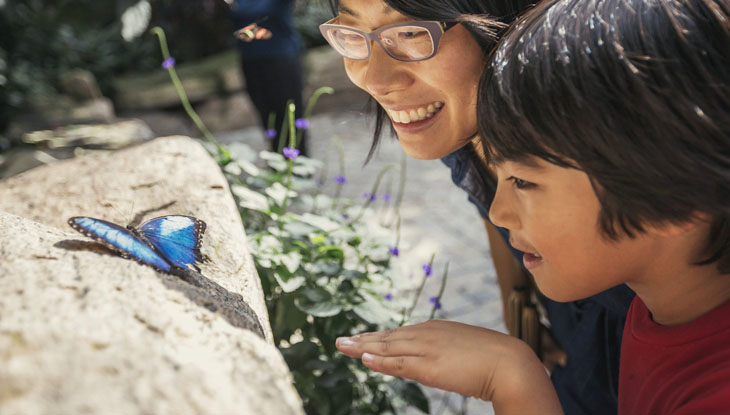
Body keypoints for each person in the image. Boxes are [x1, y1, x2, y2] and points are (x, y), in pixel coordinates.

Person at [336, 0, 730, 413]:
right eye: (350, 32)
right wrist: (517, 300)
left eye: (412, 33)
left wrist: (512, 382)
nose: (376, 79)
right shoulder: (658, 320)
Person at [228, 0, 308, 155]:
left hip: (281, 60)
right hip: (250, 62)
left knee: (291, 118)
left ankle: (299, 167)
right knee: (268, 119)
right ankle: (277, 166)